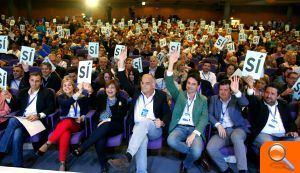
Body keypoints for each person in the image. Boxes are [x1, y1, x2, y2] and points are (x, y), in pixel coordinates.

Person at [108, 48, 171, 173]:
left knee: (145, 122)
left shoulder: (161, 96)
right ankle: (141, 171)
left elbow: (168, 113)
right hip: (138, 129)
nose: (143, 85)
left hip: (154, 128)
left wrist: (162, 122)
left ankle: (127, 156)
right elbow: (124, 81)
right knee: (142, 140)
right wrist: (121, 62)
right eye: (142, 83)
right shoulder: (136, 92)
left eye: (147, 83)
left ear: (153, 85)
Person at [37, 77, 92, 171]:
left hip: (76, 124)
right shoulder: (60, 97)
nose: (67, 87)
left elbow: (86, 110)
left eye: (69, 85)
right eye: (65, 85)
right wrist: (77, 94)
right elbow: (67, 103)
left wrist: (82, 117)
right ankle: (62, 163)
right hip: (64, 124)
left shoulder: (82, 97)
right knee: (65, 134)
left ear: (73, 86)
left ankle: (48, 143)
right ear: (62, 87)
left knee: (68, 122)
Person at [0, 72, 55, 167]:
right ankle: (18, 164)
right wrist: (9, 98)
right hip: (24, 120)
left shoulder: (47, 92)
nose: (34, 83)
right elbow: (15, 107)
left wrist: (38, 115)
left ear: (41, 82)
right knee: (17, 133)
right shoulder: (23, 92)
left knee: (13, 121)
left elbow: (51, 108)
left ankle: (1, 151)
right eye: (32, 80)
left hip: (37, 121)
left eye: (37, 81)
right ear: (29, 81)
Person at [166, 51, 208, 173]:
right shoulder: (180, 95)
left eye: (193, 84)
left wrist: (194, 133)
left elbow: (204, 118)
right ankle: (198, 157)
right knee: (171, 141)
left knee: (196, 150)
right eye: (189, 83)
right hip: (180, 127)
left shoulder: (203, 99)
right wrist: (171, 64)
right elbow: (169, 83)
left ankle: (186, 163)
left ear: (198, 86)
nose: (190, 86)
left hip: (195, 129)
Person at [73, 79, 128, 173]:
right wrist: (89, 92)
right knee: (100, 139)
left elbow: (121, 116)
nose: (109, 90)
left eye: (112, 88)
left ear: (117, 89)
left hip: (114, 126)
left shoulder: (122, 100)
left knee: (106, 125)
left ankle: (82, 147)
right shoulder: (101, 98)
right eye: (107, 87)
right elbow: (90, 102)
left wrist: (108, 119)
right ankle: (104, 167)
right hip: (99, 125)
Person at [244, 76, 300, 154]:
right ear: (263, 93)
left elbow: (290, 122)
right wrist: (250, 87)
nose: (269, 96)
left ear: (277, 96)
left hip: (283, 136)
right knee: (270, 144)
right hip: (264, 135)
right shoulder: (258, 104)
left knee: (298, 140)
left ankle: (289, 165)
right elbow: (251, 100)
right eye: (267, 92)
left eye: (272, 94)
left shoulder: (283, 105)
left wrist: (292, 131)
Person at [206, 78, 249, 173]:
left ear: (230, 91)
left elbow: (245, 103)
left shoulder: (236, 98)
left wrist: (237, 91)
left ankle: (242, 170)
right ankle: (226, 169)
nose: (223, 92)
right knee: (210, 148)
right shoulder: (214, 99)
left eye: (226, 90)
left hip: (237, 129)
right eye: (221, 89)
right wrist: (218, 125)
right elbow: (209, 114)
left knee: (236, 137)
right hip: (222, 131)